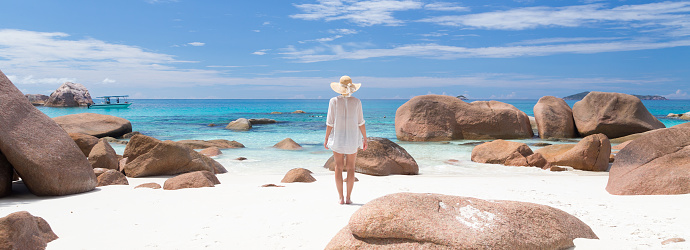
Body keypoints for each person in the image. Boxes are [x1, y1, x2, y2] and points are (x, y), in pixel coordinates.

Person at [324, 75, 367, 205]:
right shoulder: (357, 101)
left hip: (337, 137)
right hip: (353, 137)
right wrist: (365, 138)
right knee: (351, 168)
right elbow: (361, 122)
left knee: (338, 167)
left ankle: (341, 198)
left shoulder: (333, 101)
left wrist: (326, 138)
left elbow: (330, 122)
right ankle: (348, 197)